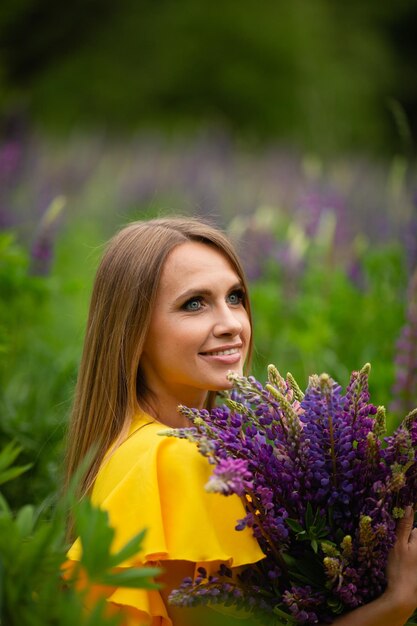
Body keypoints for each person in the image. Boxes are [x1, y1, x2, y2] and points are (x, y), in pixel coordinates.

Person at [65, 216, 417, 626]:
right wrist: (396, 604)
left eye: (234, 297)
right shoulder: (174, 458)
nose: (231, 324)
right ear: (133, 332)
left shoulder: (133, 446)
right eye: (193, 303)